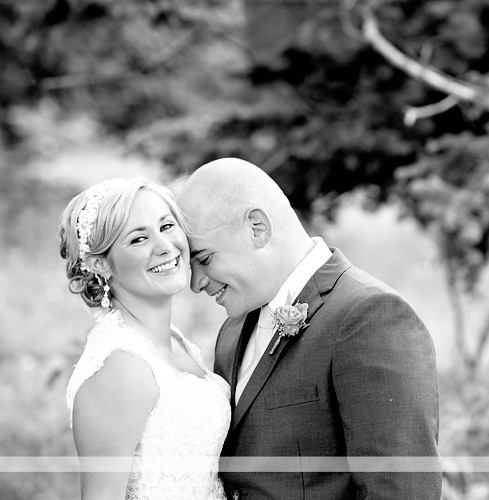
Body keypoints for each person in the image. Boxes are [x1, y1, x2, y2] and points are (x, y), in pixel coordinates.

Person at [176, 157, 441, 500]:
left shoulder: (369, 317)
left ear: (257, 227)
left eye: (205, 259)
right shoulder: (231, 333)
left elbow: (401, 492)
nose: (195, 283)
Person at [60, 178, 231, 500]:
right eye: (139, 239)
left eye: (167, 226)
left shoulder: (173, 341)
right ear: (100, 264)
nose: (164, 246)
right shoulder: (121, 366)